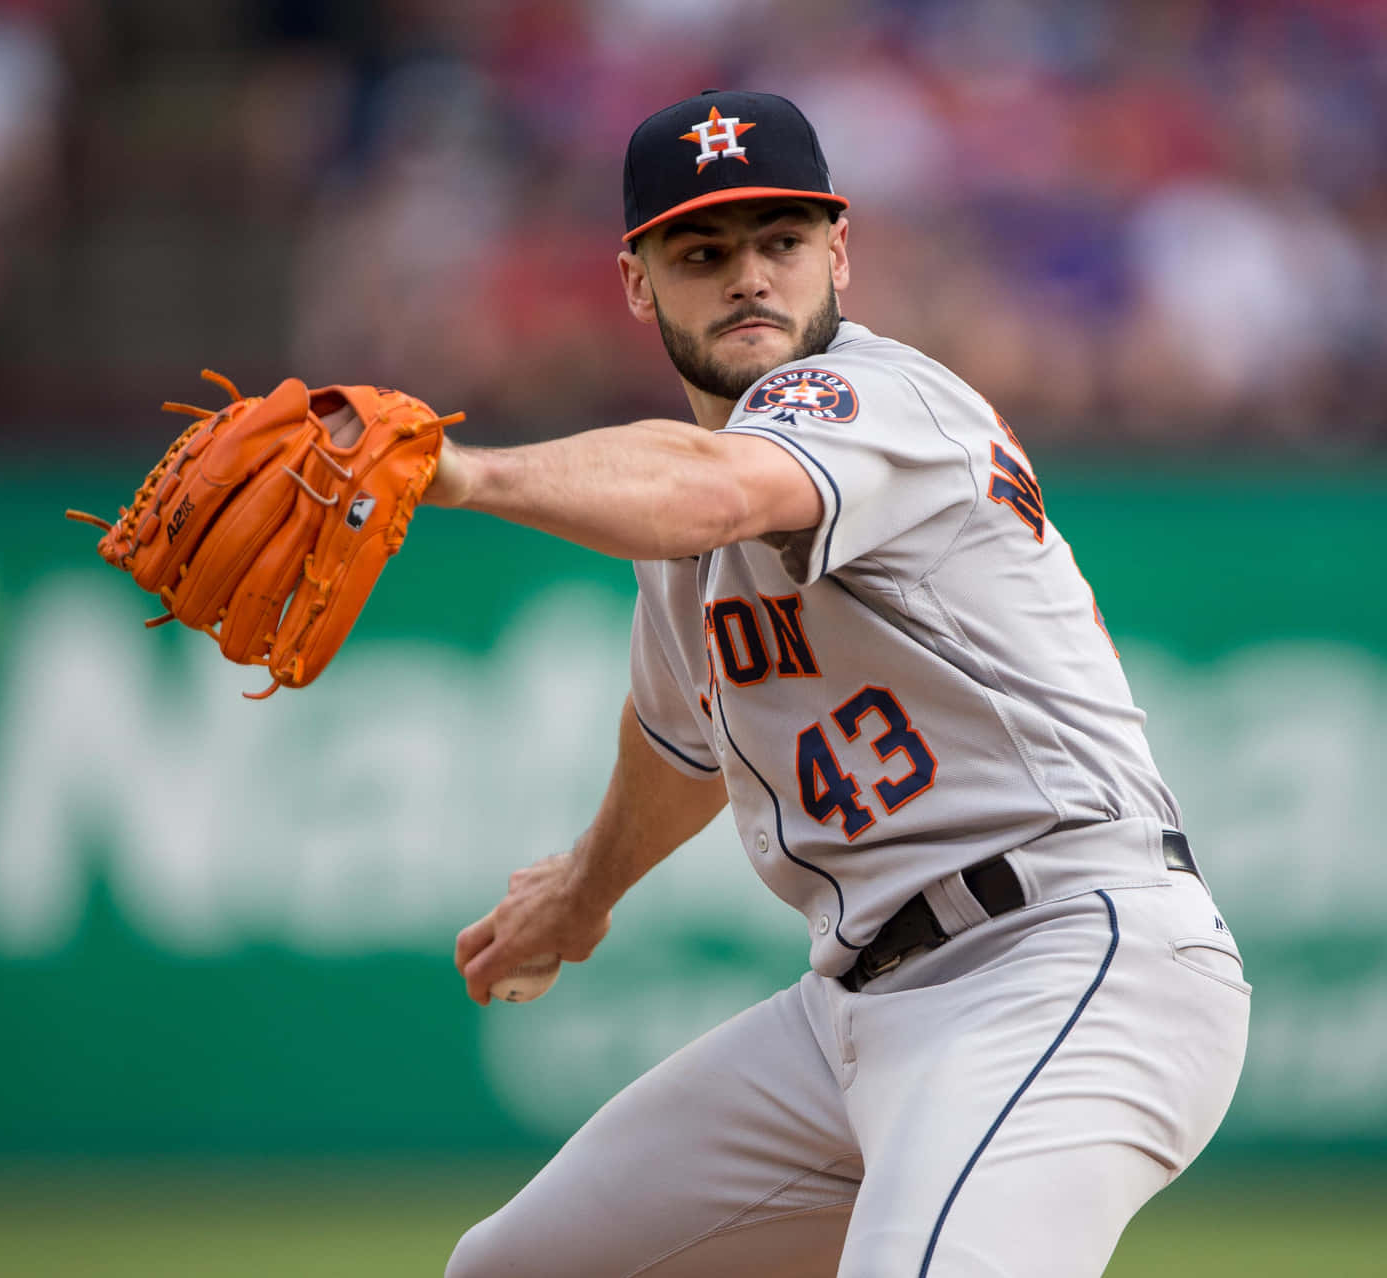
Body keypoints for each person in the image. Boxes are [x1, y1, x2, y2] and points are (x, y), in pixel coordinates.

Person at [433, 89, 1249, 1278]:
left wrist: (458, 474)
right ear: (635, 282)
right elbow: (679, 745)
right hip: (857, 1009)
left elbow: (716, 489)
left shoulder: (879, 398)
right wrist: (583, 894)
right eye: (703, 252)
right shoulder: (679, 519)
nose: (750, 277)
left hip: (1068, 957)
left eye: (782, 242)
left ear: (840, 253)